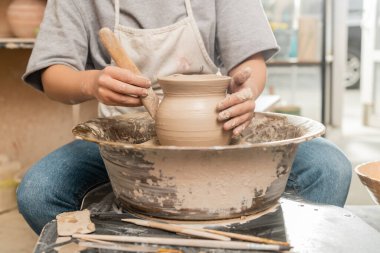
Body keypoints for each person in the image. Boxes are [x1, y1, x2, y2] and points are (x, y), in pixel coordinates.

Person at [17, 0, 352, 235]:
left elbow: (250, 63)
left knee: (328, 166)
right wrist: (89, 82)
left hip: (218, 129)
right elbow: (53, 73)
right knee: (40, 191)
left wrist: (245, 91)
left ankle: (252, 244)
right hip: (122, 138)